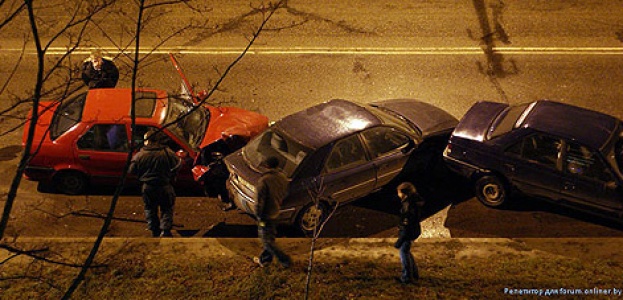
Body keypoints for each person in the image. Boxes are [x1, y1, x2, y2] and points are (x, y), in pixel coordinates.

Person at [129, 129, 182, 237]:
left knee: (150, 208)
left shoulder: (140, 155)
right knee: (166, 208)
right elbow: (178, 164)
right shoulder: (167, 153)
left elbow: (131, 171)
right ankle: (165, 230)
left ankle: (154, 230)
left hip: (148, 186)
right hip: (165, 185)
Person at [253, 156, 291, 268]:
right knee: (270, 237)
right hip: (276, 212)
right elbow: (285, 193)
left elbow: (259, 201)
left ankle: (285, 260)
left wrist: (259, 216)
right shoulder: (283, 178)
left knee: (266, 241)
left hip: (266, 215)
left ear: (267, 166)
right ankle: (265, 261)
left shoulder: (264, 181)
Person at [394, 182, 424, 284]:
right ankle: (414, 274)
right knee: (406, 251)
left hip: (408, 231)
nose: (398, 195)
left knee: (404, 252)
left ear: (404, 193)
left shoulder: (408, 205)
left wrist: (400, 240)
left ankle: (407, 277)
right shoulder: (414, 201)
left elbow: (407, 222)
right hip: (414, 230)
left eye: (399, 192)